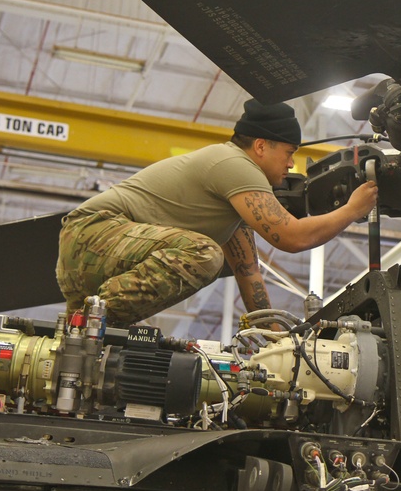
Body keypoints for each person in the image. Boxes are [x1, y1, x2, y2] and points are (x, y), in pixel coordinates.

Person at [56, 99, 378, 327]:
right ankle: (93, 317)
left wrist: (277, 340)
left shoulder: (231, 200)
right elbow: (292, 237)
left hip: (91, 252)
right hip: (95, 233)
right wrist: (352, 210)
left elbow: (250, 277)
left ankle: (88, 322)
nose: (291, 164)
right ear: (262, 146)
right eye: (289, 153)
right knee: (205, 254)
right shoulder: (236, 165)